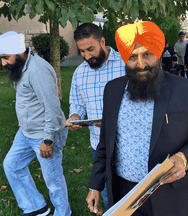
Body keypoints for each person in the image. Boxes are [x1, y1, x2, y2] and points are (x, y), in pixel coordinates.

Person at [86, 21, 188, 216]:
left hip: (169, 194)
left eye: (147, 54)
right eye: (132, 57)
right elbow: (105, 144)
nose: (141, 64)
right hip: (124, 193)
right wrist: (95, 186)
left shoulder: (183, 88)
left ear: (159, 52)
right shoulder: (112, 90)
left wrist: (184, 158)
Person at [0, 31, 71, 215]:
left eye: (6, 57)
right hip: (26, 132)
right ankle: (36, 206)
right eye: (0, 58)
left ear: (19, 51)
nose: (3, 63)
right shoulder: (22, 67)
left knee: (53, 180)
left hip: (44, 133)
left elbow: (53, 108)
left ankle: (63, 213)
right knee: (12, 165)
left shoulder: (37, 70)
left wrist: (48, 140)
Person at [65, 23, 126, 210]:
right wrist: (75, 116)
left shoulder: (125, 63)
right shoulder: (80, 73)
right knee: (108, 197)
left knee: (132, 196)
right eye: (82, 51)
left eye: (90, 49)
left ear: (102, 41)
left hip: (127, 144)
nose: (86, 56)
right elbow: (77, 103)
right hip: (98, 147)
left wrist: (111, 122)